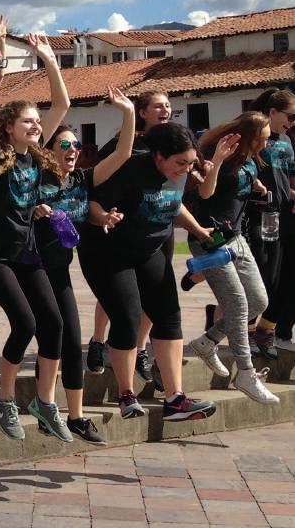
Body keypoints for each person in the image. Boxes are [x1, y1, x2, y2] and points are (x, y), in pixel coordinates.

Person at [0, 20, 72, 441]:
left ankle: (45, 403)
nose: (35, 125)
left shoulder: (36, 156)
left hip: (27, 252)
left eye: (36, 121)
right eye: (27, 121)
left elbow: (62, 105)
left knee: (54, 324)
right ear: (11, 128)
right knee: (25, 323)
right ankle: (6, 398)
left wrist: (49, 60)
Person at [86, 122, 217, 422]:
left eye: (190, 163)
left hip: (150, 249)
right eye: (180, 163)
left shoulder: (178, 174)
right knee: (128, 318)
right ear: (159, 156)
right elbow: (94, 201)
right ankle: (126, 395)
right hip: (109, 252)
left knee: (169, 316)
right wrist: (103, 216)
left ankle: (175, 400)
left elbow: (174, 204)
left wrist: (198, 230)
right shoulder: (130, 169)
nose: (186, 170)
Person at [35, 87, 138, 444]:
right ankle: (43, 407)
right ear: (49, 150)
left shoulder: (82, 180)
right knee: (52, 332)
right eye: (65, 145)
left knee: (69, 336)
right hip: (31, 269)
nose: (73, 150)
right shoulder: (36, 177)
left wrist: (128, 113)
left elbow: (123, 154)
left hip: (59, 269)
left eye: (76, 145)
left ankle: (76, 417)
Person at [182, 112, 280, 404]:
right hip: (210, 241)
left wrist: (256, 185)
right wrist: (218, 161)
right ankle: (246, 373)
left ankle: (207, 341)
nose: (267, 143)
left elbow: (240, 182)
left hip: (236, 238)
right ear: (251, 137)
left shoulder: (249, 159)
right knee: (237, 304)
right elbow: (206, 193)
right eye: (263, 138)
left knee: (258, 301)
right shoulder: (222, 158)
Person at [84, 90, 174, 380]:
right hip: (122, 227)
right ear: (142, 113)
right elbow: (97, 184)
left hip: (160, 226)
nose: (165, 110)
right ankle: (99, 341)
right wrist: (103, 214)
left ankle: (140, 346)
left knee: (151, 294)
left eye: (168, 105)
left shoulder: (173, 142)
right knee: (117, 294)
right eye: (158, 106)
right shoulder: (124, 144)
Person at [250, 89, 295, 351]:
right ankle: (248, 331)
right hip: (259, 215)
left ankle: (267, 331)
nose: (292, 122)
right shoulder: (255, 140)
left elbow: (286, 183)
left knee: (282, 278)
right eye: (291, 116)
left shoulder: (286, 142)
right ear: (273, 112)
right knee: (262, 275)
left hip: (283, 216)